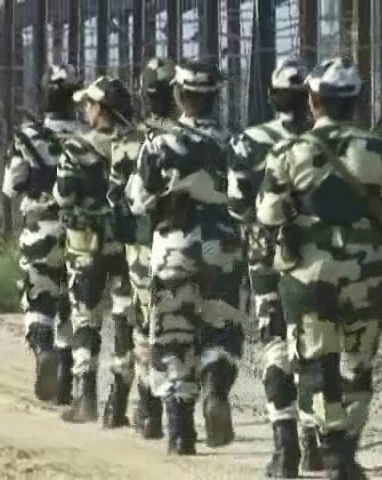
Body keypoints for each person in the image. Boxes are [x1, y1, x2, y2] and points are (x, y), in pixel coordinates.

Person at [255, 56, 382, 479]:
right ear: (355, 102)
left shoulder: (289, 151)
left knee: (315, 364)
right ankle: (345, 452)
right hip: (371, 274)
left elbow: (269, 215)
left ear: (313, 101)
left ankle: (331, 451)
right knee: (357, 365)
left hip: (309, 276)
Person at [126, 60, 245, 455]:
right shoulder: (234, 144)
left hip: (172, 249)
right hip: (222, 249)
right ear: (215, 97)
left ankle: (180, 431)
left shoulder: (159, 144)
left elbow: (137, 200)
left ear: (179, 95)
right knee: (221, 327)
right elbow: (247, 202)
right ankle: (215, 385)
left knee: (174, 337)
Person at [227, 56, 322, 477]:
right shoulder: (331, 141)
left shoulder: (249, 142)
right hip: (319, 259)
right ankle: (312, 436)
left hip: (266, 256)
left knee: (275, 347)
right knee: (315, 346)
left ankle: (284, 448)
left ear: (271, 96)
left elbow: (235, 205)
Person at [2, 64, 87, 405]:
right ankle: (66, 384)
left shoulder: (27, 137)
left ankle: (42, 351)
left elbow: (11, 187)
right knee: (72, 305)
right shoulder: (88, 135)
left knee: (39, 301)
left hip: (41, 229)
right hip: (82, 233)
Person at [53, 76, 135, 424]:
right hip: (127, 245)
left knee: (86, 318)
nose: (84, 110)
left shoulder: (77, 147)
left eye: (88, 104)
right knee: (126, 318)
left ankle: (85, 396)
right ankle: (119, 402)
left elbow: (63, 195)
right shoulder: (137, 145)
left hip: (86, 243)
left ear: (101, 109)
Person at [110, 57, 179, 438]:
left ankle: (149, 407)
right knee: (185, 326)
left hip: (141, 246)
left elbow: (116, 198)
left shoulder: (129, 141)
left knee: (146, 325)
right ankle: (180, 406)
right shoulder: (194, 136)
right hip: (187, 244)